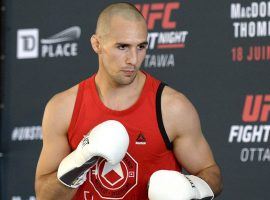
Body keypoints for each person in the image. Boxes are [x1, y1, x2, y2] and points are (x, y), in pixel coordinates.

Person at [35, 2, 223, 200]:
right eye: (122, 46)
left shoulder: (172, 108)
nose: (133, 59)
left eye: (141, 47)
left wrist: (191, 188)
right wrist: (80, 160)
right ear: (97, 44)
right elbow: (44, 196)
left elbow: (212, 174)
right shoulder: (63, 108)